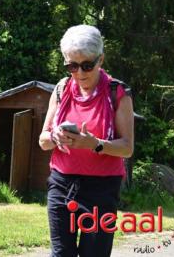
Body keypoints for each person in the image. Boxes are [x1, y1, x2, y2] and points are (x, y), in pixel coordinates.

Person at [39, 25, 134, 257]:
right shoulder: (61, 89)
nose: (80, 73)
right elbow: (43, 141)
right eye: (72, 65)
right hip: (61, 186)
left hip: (102, 191)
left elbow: (127, 148)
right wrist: (56, 136)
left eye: (87, 65)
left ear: (100, 60)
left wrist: (95, 144)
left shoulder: (117, 92)